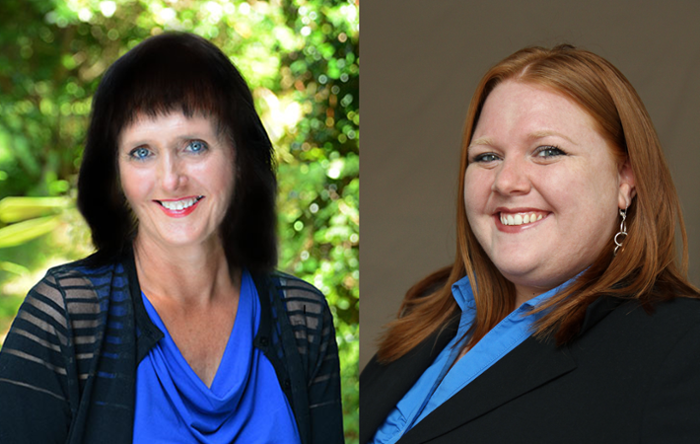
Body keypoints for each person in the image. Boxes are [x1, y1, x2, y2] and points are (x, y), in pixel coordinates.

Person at [0, 32, 344, 444]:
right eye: (141, 152)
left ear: (239, 156)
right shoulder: (63, 318)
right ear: (117, 175)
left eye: (195, 146)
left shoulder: (302, 317)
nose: (170, 179)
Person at [360, 44, 700, 444]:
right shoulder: (429, 309)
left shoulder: (683, 346)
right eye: (487, 157)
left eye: (548, 151)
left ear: (626, 179)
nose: (506, 182)